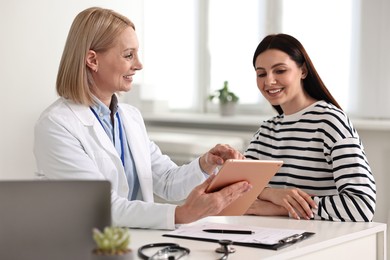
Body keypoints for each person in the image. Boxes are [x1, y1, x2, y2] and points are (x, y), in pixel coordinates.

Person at [33, 7, 252, 230]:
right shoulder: (56, 125)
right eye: (128, 55)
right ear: (92, 59)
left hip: (139, 241)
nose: (139, 64)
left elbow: (166, 181)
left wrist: (205, 163)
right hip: (88, 245)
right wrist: (182, 214)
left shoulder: (130, 117)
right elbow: (100, 206)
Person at [245, 33, 376, 222]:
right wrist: (272, 194)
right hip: (270, 239)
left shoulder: (330, 121)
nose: (269, 81)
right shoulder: (266, 131)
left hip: (319, 243)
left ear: (303, 71)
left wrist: (282, 209)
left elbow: (361, 206)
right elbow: (235, 193)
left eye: (280, 70)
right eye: (261, 74)